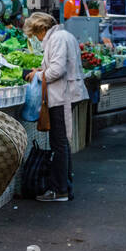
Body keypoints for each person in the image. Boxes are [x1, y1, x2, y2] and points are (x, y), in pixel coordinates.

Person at [24, 11, 86, 202]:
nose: (37, 38)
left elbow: (57, 70)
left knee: (58, 143)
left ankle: (59, 190)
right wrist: (42, 70)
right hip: (65, 93)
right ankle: (64, 185)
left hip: (62, 95)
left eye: (36, 34)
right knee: (62, 143)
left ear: (42, 28)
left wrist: (38, 75)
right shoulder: (63, 36)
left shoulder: (57, 38)